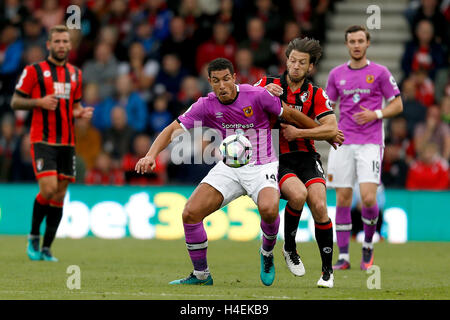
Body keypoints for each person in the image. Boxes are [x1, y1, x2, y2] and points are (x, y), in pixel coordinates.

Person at [135, 57, 336, 286]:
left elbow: (289, 114)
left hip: (262, 165)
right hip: (230, 167)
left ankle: (267, 253)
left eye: (226, 79)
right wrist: (150, 155)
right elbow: (173, 129)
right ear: (209, 82)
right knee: (190, 213)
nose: (222, 85)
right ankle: (201, 274)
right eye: (216, 81)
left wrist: (324, 131)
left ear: (234, 78)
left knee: (269, 210)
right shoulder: (205, 104)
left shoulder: (256, 95)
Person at [257, 37, 344, 288]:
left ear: (311, 68)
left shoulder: (317, 94)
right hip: (277, 157)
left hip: (306, 156)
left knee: (319, 205)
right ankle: (290, 247)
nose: (295, 66)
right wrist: (261, 93)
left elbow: (331, 129)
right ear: (286, 60)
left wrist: (300, 133)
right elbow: (244, 102)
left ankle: (327, 272)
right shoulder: (268, 83)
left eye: (301, 63)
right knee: (298, 195)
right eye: (292, 60)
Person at [11, 25, 93, 262]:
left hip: (67, 142)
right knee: (47, 189)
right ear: (49, 45)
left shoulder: (76, 74)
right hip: (43, 139)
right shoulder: (34, 71)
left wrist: (80, 113)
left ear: (70, 45)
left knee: (58, 194)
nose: (60, 45)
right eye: (56, 41)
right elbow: (16, 102)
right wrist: (39, 101)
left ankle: (46, 248)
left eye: (64, 42)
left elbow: (74, 105)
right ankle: (33, 236)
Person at [325, 25, 403, 271]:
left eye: (360, 41)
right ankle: (344, 257)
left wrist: (376, 114)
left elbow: (398, 104)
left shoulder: (379, 73)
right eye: (352, 41)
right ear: (347, 44)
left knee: (369, 198)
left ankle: (368, 246)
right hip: (343, 143)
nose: (356, 45)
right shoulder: (336, 74)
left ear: (367, 43)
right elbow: (328, 106)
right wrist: (328, 129)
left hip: (370, 142)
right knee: (343, 199)